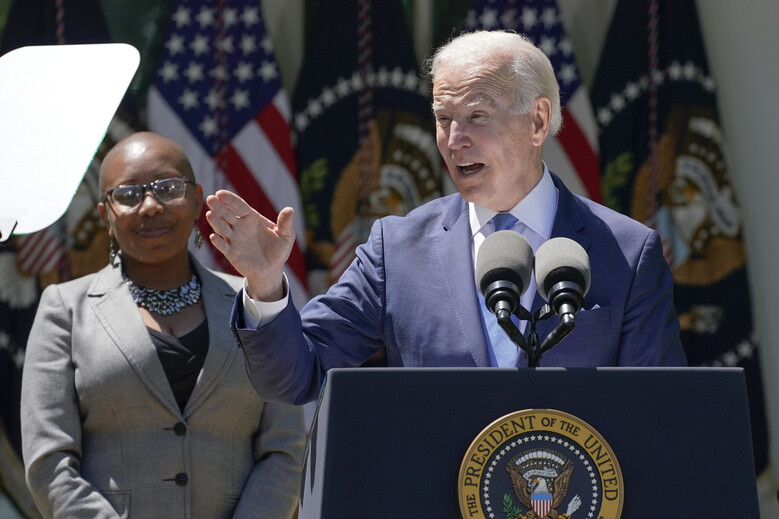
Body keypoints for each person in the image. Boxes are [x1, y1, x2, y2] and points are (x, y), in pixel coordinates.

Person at [205, 30, 687, 406]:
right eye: (443, 118)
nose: (455, 140)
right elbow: (296, 376)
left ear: (538, 122)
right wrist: (266, 285)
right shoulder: (396, 250)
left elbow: (657, 412)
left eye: (477, 116)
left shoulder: (627, 252)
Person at [20, 132, 305, 519]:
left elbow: (285, 449)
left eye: (168, 188)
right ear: (105, 214)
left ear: (195, 199)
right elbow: (49, 462)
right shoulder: (65, 311)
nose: (151, 206)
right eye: (128, 195)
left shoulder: (256, 300)